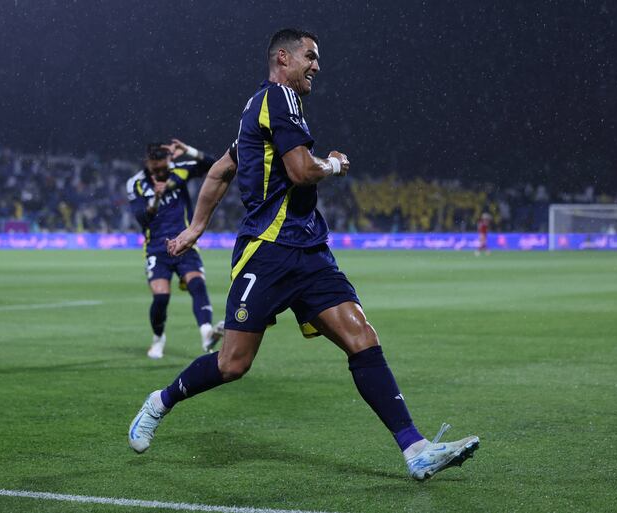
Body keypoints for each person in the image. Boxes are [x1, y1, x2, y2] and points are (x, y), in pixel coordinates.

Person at [128, 29, 479, 481]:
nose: (316, 65)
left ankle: (416, 449)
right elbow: (300, 170)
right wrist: (334, 163)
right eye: (310, 57)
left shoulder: (257, 110)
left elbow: (220, 170)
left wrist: (195, 228)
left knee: (362, 337)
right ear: (282, 58)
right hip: (269, 252)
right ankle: (160, 402)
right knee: (233, 363)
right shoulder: (279, 97)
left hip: (310, 251)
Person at [126, 139, 223, 359]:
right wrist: (157, 199)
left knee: (196, 284)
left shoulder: (179, 171)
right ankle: (158, 339)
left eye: (163, 166)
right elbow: (142, 217)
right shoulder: (136, 183)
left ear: (170, 159)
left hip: (184, 243)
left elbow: (214, 165)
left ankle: (207, 333)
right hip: (157, 248)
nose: (160, 171)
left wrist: (189, 150)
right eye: (156, 167)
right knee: (161, 298)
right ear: (148, 162)